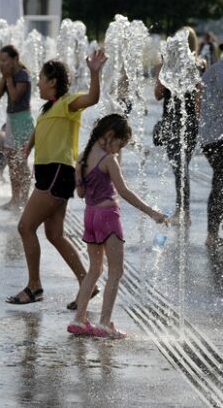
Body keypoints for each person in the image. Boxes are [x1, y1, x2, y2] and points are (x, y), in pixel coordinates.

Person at [6, 50, 108, 308]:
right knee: (54, 234)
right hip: (49, 173)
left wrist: (95, 73)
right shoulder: (47, 109)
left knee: (25, 227)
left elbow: (93, 98)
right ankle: (88, 283)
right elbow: (42, 128)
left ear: (52, 81)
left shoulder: (68, 103)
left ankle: (34, 287)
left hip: (57, 174)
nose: (37, 82)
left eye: (41, 78)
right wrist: (29, 146)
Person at [67, 114, 166, 338]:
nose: (118, 151)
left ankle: (79, 320)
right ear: (111, 136)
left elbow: (80, 193)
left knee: (94, 270)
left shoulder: (82, 158)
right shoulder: (108, 160)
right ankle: (103, 323)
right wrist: (151, 212)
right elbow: (124, 191)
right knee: (116, 271)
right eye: (119, 145)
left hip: (90, 216)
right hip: (108, 217)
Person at [154, 27, 205, 224]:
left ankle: (183, 212)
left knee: (178, 166)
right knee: (182, 166)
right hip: (191, 121)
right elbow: (200, 99)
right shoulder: (200, 64)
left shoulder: (167, 65)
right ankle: (183, 211)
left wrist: (162, 72)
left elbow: (157, 94)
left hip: (171, 121)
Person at [0, 45, 33, 210]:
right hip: (11, 119)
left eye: (5, 60)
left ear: (15, 59)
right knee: (11, 159)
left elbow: (16, 97)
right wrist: (4, 77)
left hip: (22, 120)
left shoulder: (23, 75)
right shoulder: (7, 75)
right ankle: (14, 198)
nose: (2, 63)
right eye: (0, 61)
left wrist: (8, 78)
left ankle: (24, 199)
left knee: (20, 160)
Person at [199, 60, 223, 248]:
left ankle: (212, 233)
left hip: (209, 136)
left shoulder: (213, 70)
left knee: (220, 181)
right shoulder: (220, 71)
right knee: (220, 181)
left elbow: (198, 99)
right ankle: (212, 234)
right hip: (217, 137)